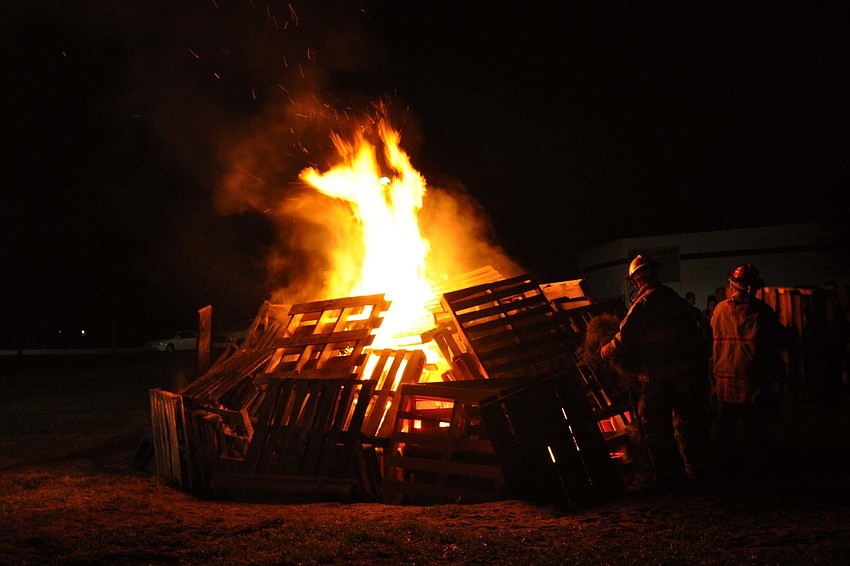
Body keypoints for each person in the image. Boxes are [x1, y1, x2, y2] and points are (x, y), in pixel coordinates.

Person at [601, 255, 712, 489]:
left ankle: (669, 477)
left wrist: (604, 351)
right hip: (685, 377)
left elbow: (624, 340)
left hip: (658, 379)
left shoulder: (643, 304)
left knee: (655, 427)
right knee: (686, 423)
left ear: (635, 280)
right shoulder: (675, 299)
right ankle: (697, 472)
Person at [711, 263, 786, 469]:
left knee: (727, 427)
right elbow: (779, 340)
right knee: (756, 427)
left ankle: (726, 465)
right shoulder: (762, 312)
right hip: (753, 381)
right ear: (753, 287)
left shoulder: (719, 310)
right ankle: (756, 464)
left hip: (725, 381)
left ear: (732, 284)